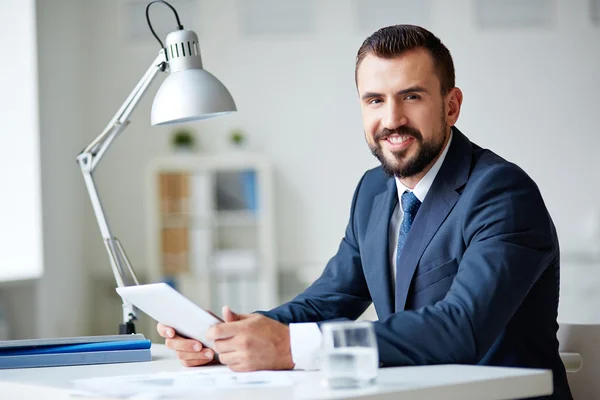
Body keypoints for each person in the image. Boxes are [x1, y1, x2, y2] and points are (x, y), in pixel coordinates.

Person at [157, 25, 572, 399]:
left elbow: (460, 329)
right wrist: (232, 334)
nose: (391, 120)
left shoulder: (502, 192)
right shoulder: (373, 191)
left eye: (411, 96)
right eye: (375, 100)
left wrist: (287, 346)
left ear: (451, 106)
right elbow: (326, 303)